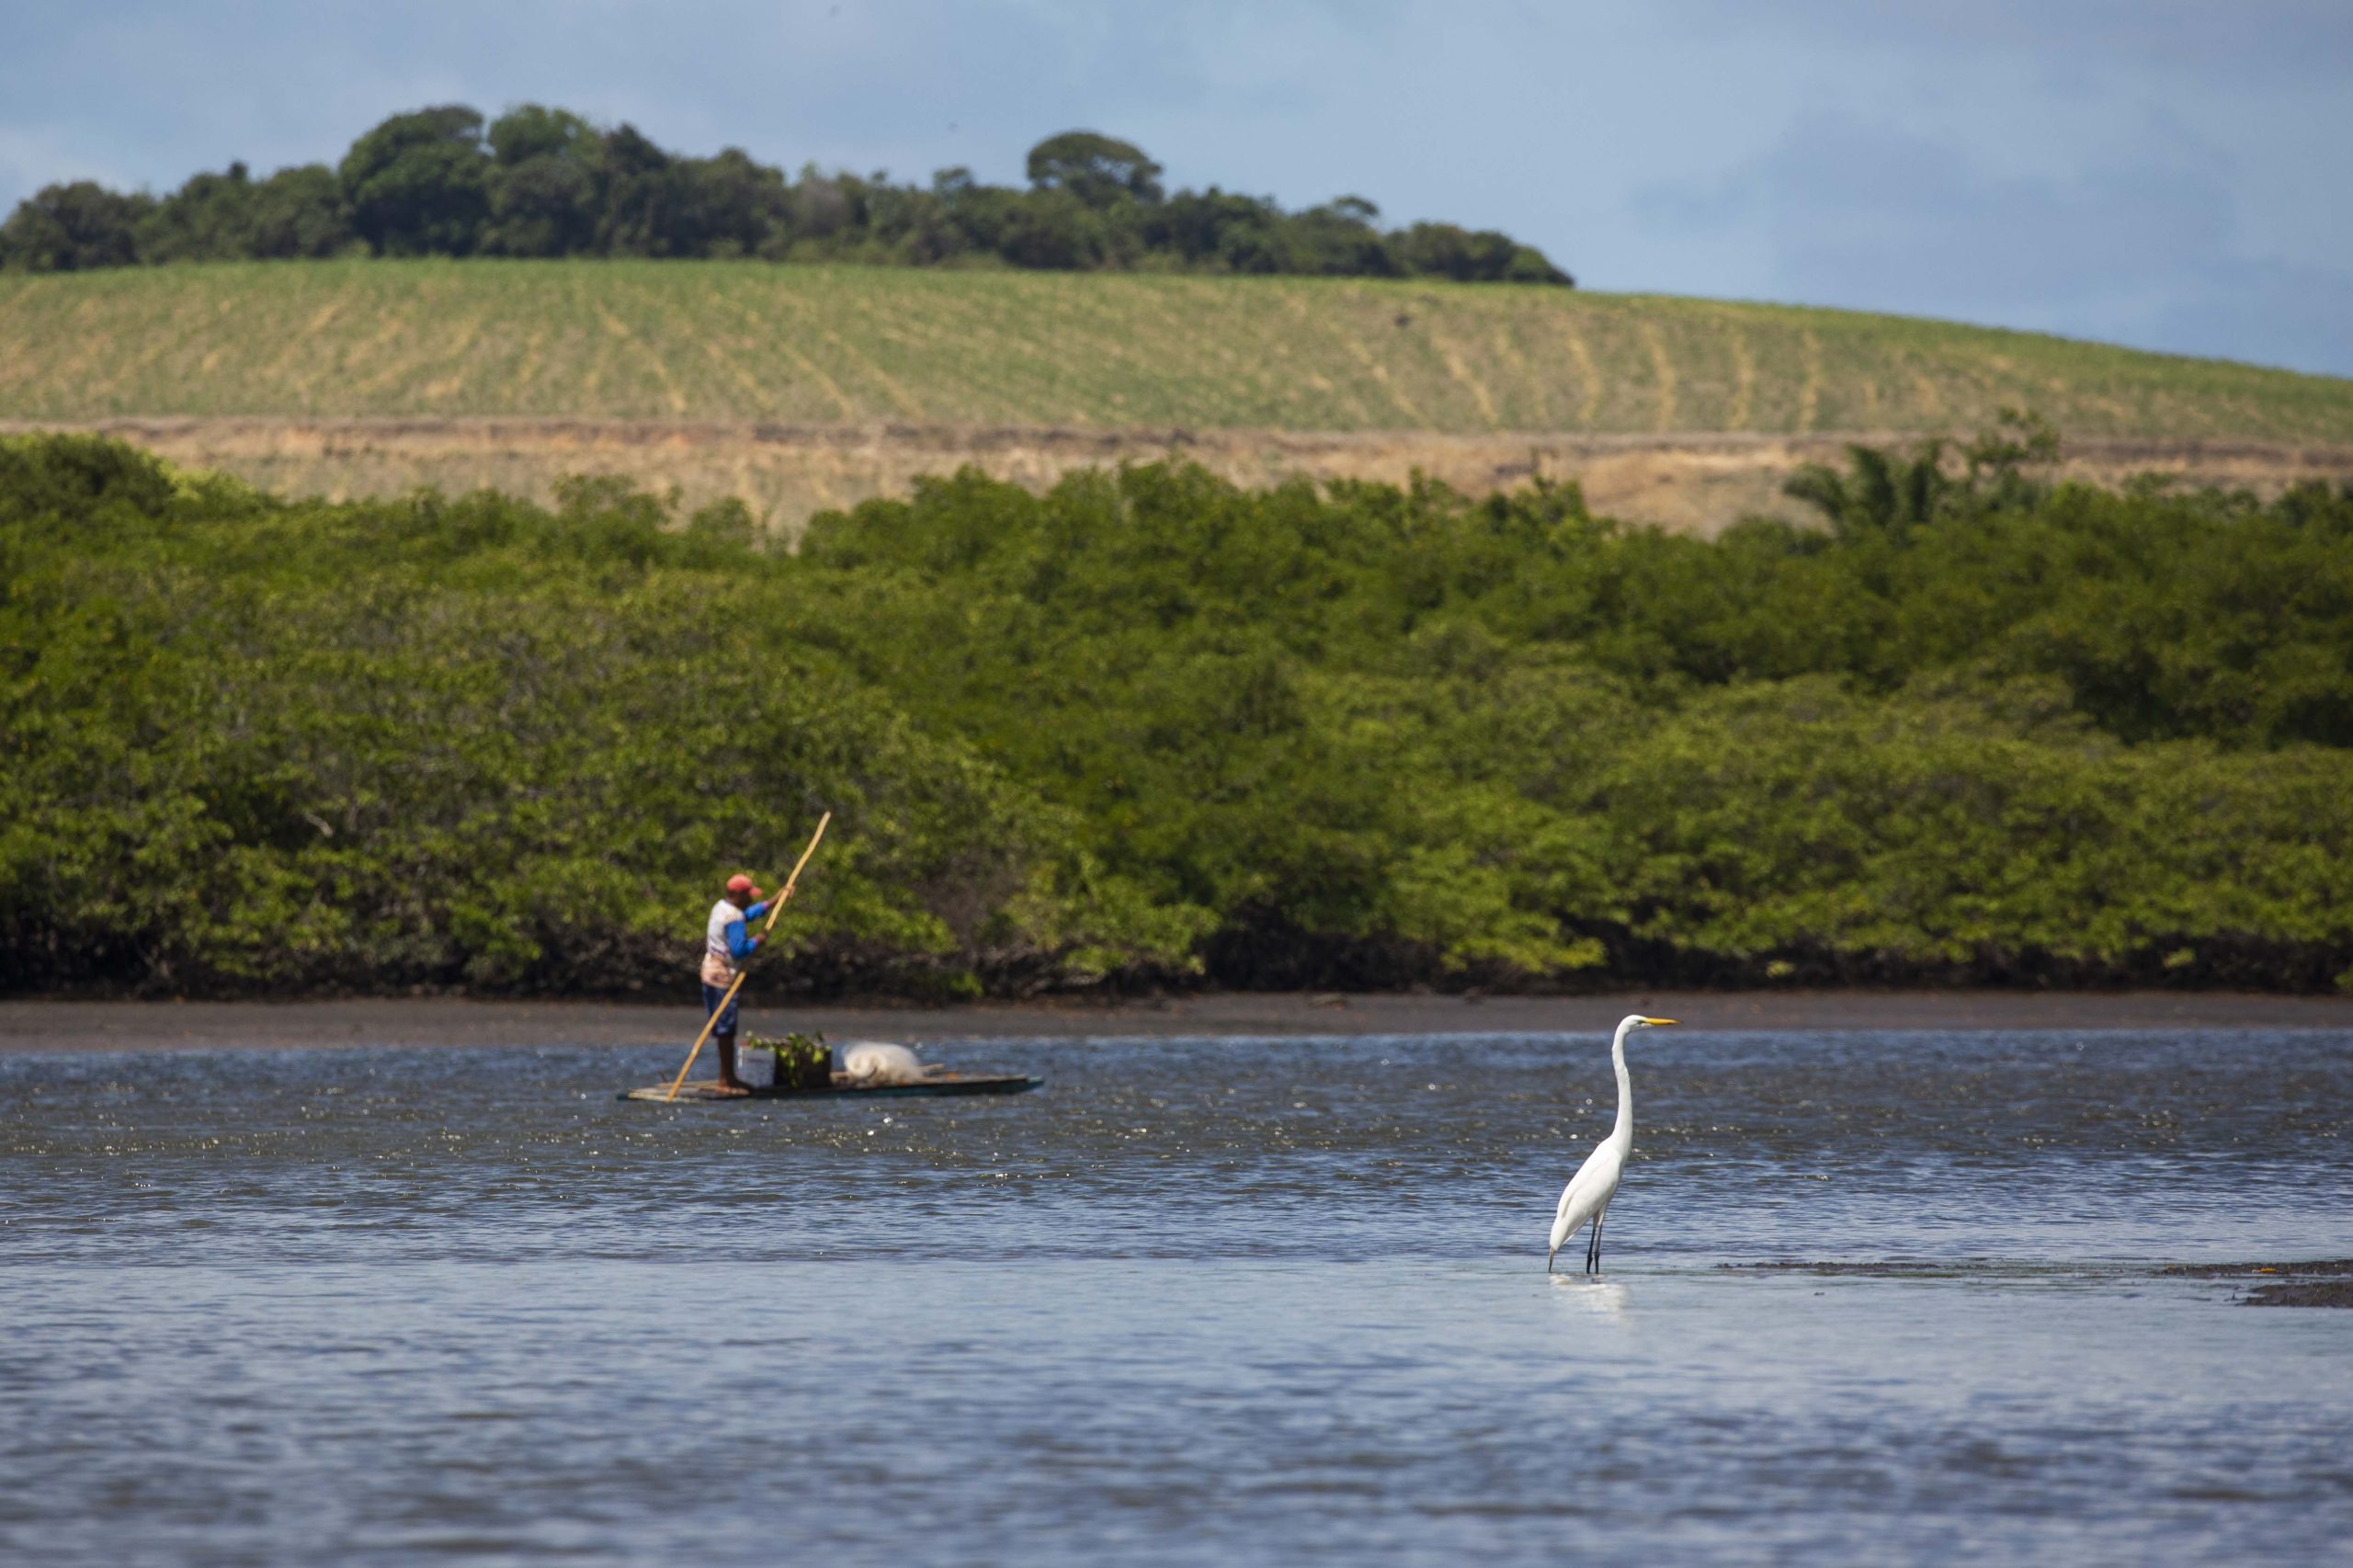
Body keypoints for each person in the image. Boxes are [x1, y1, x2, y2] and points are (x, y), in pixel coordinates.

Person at [701, 873, 771, 1094]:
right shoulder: (732, 917)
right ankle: (726, 1079)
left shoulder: (720, 907)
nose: (750, 900)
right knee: (726, 1029)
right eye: (748, 895)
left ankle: (727, 1077)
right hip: (722, 975)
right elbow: (740, 951)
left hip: (709, 970)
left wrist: (772, 903)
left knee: (723, 1029)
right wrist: (757, 941)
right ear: (737, 894)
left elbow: (747, 915)